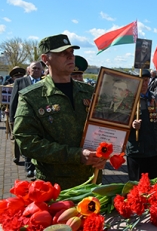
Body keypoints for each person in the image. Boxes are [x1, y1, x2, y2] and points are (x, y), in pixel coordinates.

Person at [13, 34, 106, 189]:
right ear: (45, 59)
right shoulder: (31, 97)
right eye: (63, 53)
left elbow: (103, 127)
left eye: (72, 52)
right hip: (55, 187)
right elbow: (27, 142)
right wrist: (77, 155)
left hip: (92, 180)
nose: (70, 56)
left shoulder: (88, 92)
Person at [126, 69, 157, 181]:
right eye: (140, 81)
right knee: (137, 188)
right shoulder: (128, 99)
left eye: (146, 80)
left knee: (154, 185)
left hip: (154, 149)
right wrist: (131, 125)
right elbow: (119, 122)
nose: (144, 84)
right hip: (137, 151)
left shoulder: (156, 97)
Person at [9, 61, 42, 177]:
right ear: (29, 70)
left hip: (40, 119)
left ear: (42, 70)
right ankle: (29, 167)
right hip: (24, 118)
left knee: (39, 143)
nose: (36, 70)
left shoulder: (45, 82)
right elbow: (13, 101)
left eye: (39, 68)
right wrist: (12, 119)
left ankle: (38, 167)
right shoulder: (20, 82)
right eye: (34, 68)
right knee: (27, 142)